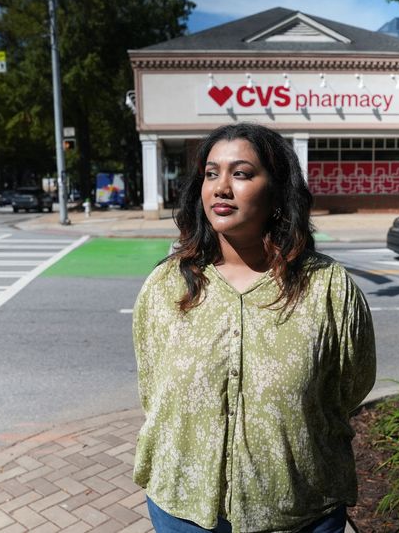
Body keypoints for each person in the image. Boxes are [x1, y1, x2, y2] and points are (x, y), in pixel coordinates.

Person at [132, 123, 376, 533]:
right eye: (212, 174)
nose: (221, 188)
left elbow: (351, 385)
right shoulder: (165, 286)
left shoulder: (328, 288)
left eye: (241, 174)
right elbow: (152, 385)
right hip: (183, 509)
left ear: (278, 191)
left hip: (300, 510)